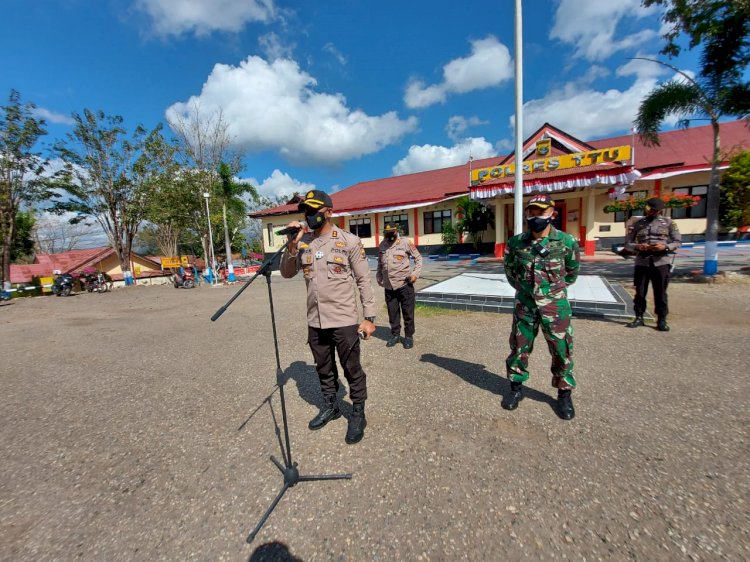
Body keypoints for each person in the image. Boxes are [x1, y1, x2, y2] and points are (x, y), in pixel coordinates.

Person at [279, 190, 377, 444]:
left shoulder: (349, 242)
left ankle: (358, 413)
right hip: (315, 320)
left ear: (329, 212)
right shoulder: (303, 244)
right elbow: (287, 273)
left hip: (344, 319)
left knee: (352, 369)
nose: (309, 216)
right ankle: (331, 406)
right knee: (324, 368)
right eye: (306, 212)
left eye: (314, 211)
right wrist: (291, 245)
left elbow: (364, 280)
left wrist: (369, 317)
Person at [502, 194, 581, 420]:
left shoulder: (566, 242)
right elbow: (510, 273)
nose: (536, 216)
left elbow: (572, 273)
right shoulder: (516, 243)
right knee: (519, 348)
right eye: (532, 212)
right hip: (525, 306)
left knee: (561, 349)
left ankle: (564, 393)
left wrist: (551, 293)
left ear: (552, 214)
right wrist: (527, 291)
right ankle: (516, 389)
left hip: (555, 307)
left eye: (541, 212)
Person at [623, 197, 682, 331]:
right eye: (649, 209)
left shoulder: (669, 223)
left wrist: (665, 246)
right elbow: (627, 243)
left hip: (660, 262)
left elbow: (677, 241)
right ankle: (639, 317)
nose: (651, 212)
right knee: (640, 292)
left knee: (660, 292)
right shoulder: (638, 223)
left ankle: (661, 320)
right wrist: (638, 246)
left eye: (654, 210)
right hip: (642, 262)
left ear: (659, 211)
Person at [376, 223, 423, 349]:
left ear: (396, 231)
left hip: (404, 285)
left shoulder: (405, 243)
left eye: (392, 233)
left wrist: (415, 275)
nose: (390, 236)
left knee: (408, 313)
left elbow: (418, 258)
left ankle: (408, 336)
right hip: (389, 286)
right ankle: (395, 335)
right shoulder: (382, 245)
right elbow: (380, 263)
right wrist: (379, 276)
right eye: (387, 233)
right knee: (393, 313)